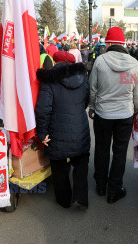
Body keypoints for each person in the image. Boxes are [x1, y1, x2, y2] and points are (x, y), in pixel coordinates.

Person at [89, 27, 138, 204]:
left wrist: (92, 107)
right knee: (119, 153)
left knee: (102, 150)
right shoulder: (135, 64)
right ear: (124, 43)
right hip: (124, 114)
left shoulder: (100, 61)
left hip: (103, 114)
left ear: (109, 43)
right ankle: (114, 189)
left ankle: (101, 185)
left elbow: (93, 89)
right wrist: (134, 110)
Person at [35, 51, 90, 208]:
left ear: (55, 62)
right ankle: (80, 197)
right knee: (81, 163)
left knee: (58, 166)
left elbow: (43, 109)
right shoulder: (83, 79)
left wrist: (42, 133)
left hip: (56, 130)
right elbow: (87, 100)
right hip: (80, 129)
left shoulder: (49, 80)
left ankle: (64, 200)